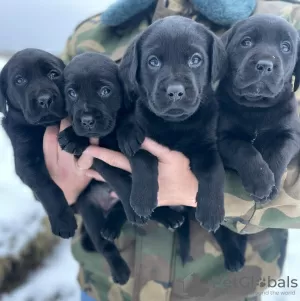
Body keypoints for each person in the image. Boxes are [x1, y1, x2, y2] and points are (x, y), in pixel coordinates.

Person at [43, 1, 300, 300]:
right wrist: (63, 187)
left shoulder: (284, 23)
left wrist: (209, 191)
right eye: (153, 62)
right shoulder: (92, 32)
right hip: (105, 288)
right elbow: (41, 126)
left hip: (225, 289)